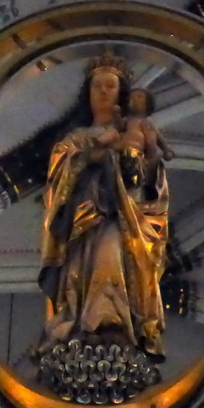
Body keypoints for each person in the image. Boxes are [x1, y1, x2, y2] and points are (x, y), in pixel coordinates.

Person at [37, 54, 169, 359]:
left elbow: (152, 182)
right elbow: (57, 181)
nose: (103, 91)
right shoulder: (73, 139)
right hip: (82, 220)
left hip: (122, 218)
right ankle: (81, 325)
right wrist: (90, 157)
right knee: (82, 270)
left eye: (111, 86)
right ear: (87, 93)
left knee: (112, 259)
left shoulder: (133, 133)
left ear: (120, 94)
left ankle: (113, 324)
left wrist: (134, 163)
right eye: (97, 85)